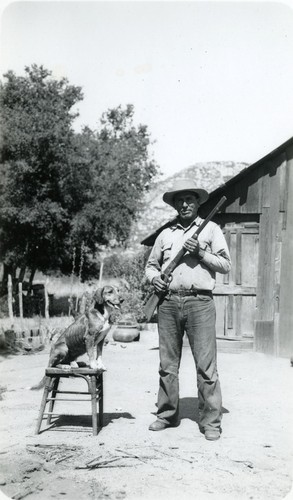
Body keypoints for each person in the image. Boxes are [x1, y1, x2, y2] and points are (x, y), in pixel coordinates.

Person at [145, 179, 231, 441]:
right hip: (168, 302)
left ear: (197, 203)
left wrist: (202, 252)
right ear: (175, 205)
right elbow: (151, 266)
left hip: (200, 302)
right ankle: (167, 415)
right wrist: (154, 279)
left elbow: (225, 265)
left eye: (189, 200)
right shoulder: (165, 234)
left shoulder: (212, 230)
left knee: (206, 367)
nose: (184, 204)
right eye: (180, 200)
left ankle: (211, 422)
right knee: (167, 365)